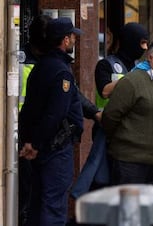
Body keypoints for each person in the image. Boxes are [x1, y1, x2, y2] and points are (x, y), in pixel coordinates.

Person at [70, 22, 149, 198]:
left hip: (133, 136)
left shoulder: (141, 67)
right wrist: (133, 77)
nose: (144, 48)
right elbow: (105, 91)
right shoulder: (106, 65)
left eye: (146, 44)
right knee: (102, 180)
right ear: (130, 41)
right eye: (141, 43)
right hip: (108, 134)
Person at [18, 17, 83, 226]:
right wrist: (36, 144)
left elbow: (28, 110)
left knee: (37, 205)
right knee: (53, 208)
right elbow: (55, 114)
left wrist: (30, 142)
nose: (74, 39)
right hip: (54, 150)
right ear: (65, 40)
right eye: (72, 36)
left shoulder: (41, 66)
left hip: (38, 147)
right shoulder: (61, 71)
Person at [102, 36, 153, 185]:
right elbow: (110, 116)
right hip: (130, 164)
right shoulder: (132, 80)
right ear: (150, 57)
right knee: (129, 209)